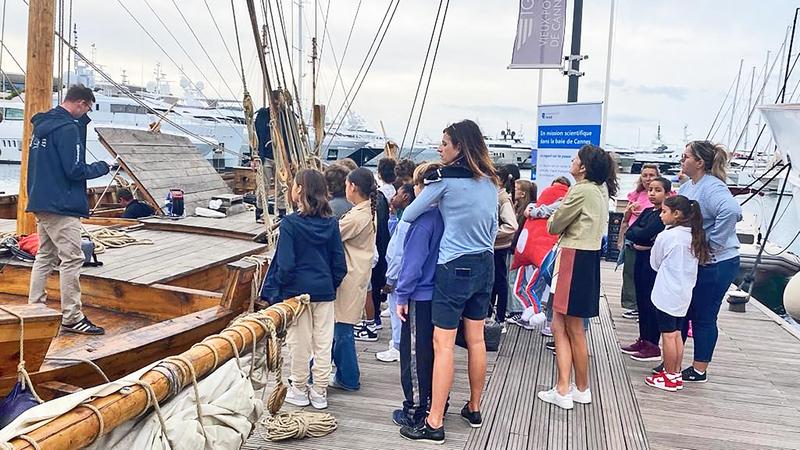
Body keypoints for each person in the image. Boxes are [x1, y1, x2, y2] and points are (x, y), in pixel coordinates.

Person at [399, 120, 498, 444]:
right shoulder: (489, 181)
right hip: (485, 264)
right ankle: (474, 407)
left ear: (459, 147)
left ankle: (435, 421)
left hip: (454, 267)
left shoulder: (443, 181)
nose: (439, 148)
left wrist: (438, 201)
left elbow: (410, 214)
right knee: (477, 340)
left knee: (443, 346)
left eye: (444, 143)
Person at [27, 84, 112, 335]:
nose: (86, 112)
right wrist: (104, 166)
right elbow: (74, 170)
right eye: (87, 107)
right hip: (61, 205)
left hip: (41, 201)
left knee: (45, 256)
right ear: (80, 103)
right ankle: (72, 317)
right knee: (73, 258)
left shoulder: (42, 127)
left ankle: (34, 310)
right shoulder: (67, 129)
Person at [537, 144, 618, 410]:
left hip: (571, 257)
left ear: (583, 167)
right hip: (589, 258)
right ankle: (581, 387)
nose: (571, 162)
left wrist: (556, 219)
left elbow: (554, 223)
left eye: (575, 159)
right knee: (576, 327)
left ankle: (562, 389)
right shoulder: (600, 190)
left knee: (561, 325)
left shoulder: (581, 189)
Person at [654, 141, 741, 383]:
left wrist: (711, 244)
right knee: (684, 310)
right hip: (699, 262)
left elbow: (732, 212)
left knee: (703, 315)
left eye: (686, 157)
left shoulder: (712, 188)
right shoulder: (688, 186)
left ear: (700, 163)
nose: (682, 161)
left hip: (718, 262)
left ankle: (699, 368)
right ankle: (673, 363)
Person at [260, 169, 347, 409]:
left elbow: (286, 265)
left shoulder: (290, 224)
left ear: (299, 190)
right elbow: (339, 263)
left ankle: (298, 388)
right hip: (324, 290)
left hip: (298, 294)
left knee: (299, 342)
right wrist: (330, 284)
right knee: (323, 342)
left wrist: (284, 290)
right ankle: (319, 390)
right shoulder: (331, 224)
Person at [392, 162, 445, 428]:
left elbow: (412, 264)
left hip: (421, 296)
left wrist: (401, 296)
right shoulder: (449, 217)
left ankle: (415, 409)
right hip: (443, 295)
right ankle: (438, 402)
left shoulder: (424, 221)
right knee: (438, 353)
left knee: (414, 355)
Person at [645, 195, 709, 391]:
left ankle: (669, 375)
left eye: (664, 212)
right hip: (684, 293)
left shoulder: (667, 236)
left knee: (668, 335)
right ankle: (676, 373)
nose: (661, 216)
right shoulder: (694, 236)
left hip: (666, 292)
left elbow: (654, 262)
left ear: (677, 214)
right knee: (677, 334)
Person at [331, 167, 378, 391]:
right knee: (342, 329)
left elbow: (331, 234)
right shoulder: (367, 210)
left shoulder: (358, 216)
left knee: (341, 330)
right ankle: (344, 375)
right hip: (358, 274)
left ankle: (349, 377)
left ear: (353, 187)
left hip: (349, 277)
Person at [508, 177, 570, 332]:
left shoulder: (548, 205)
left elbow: (546, 210)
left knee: (539, 287)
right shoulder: (534, 205)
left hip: (548, 252)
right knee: (537, 287)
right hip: (547, 251)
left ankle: (544, 318)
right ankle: (538, 315)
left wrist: (534, 211)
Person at [620, 177, 670, 362]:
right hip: (640, 257)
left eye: (658, 190)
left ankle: (652, 344)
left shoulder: (662, 216)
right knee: (640, 298)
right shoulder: (648, 211)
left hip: (652, 261)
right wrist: (640, 238)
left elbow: (644, 233)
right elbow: (633, 232)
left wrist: (641, 238)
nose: (652, 193)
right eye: (650, 190)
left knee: (650, 301)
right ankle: (643, 338)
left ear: (666, 193)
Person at [377, 183, 416, 363]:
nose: (394, 197)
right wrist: (392, 215)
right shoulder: (404, 219)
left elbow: (399, 253)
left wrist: (390, 279)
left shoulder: (407, 222)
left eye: (398, 194)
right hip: (402, 272)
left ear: (407, 197)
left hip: (398, 274)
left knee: (397, 311)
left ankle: (398, 346)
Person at [619, 164, 661, 320]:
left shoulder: (665, 195)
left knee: (648, 274)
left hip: (650, 240)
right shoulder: (636, 195)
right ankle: (632, 305)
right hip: (632, 236)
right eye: (645, 175)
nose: (648, 179)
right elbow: (626, 219)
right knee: (630, 272)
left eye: (652, 175)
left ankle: (646, 306)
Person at [489, 164, 520, 330]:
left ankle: (500, 317)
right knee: (495, 281)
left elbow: (512, 225)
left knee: (499, 281)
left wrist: (493, 233)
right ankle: (492, 316)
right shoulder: (499, 196)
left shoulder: (502, 198)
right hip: (497, 245)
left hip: (498, 246)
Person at [253, 107, 287, 221]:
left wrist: (291, 159)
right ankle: (261, 212)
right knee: (263, 186)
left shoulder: (287, 116)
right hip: (265, 157)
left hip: (281, 158)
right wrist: (254, 157)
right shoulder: (262, 115)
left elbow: (290, 137)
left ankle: (282, 212)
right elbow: (254, 136)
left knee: (282, 187)